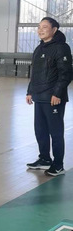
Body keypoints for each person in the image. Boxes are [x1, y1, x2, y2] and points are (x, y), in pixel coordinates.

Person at [25, 17, 72, 176]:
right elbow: (35, 73)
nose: (40, 30)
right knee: (40, 130)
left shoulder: (61, 48)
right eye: (39, 27)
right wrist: (30, 91)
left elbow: (66, 73)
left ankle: (58, 165)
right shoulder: (39, 48)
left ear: (54, 29)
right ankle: (44, 159)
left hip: (53, 98)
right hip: (39, 96)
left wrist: (57, 93)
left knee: (55, 132)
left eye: (44, 27)